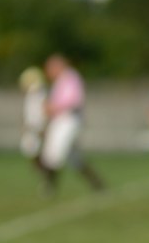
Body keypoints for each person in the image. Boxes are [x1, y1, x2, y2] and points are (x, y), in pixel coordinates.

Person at [39, 53, 105, 192]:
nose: (48, 72)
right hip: (62, 120)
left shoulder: (70, 78)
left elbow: (74, 100)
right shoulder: (61, 80)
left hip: (68, 120)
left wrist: (53, 107)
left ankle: (49, 187)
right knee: (73, 158)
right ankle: (97, 184)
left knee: (54, 152)